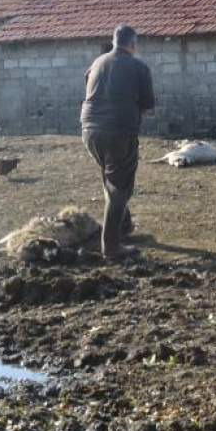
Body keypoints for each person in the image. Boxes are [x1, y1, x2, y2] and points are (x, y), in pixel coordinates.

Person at [80, 24, 155, 261]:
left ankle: (124, 227)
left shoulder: (97, 62)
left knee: (111, 178)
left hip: (89, 131)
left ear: (114, 42)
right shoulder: (138, 67)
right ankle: (111, 246)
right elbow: (148, 105)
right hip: (119, 131)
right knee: (121, 187)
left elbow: (88, 88)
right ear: (133, 44)